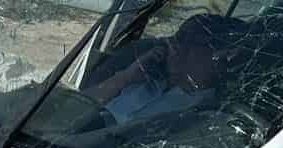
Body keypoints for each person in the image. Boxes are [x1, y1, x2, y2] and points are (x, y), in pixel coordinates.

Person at [91, 14, 220, 123]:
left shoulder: (206, 114)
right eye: (178, 40)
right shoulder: (142, 82)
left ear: (217, 56)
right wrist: (125, 77)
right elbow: (80, 105)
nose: (177, 49)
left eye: (192, 44)